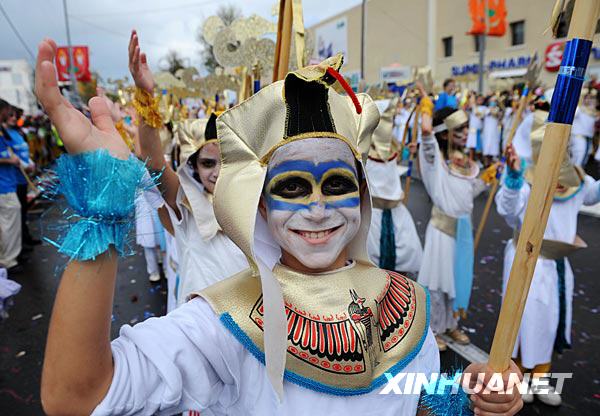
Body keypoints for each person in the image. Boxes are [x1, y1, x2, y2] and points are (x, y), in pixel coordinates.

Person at [36, 38, 522, 416]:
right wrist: (105, 201)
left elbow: (411, 398)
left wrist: (472, 397)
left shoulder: (407, 302)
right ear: (261, 207)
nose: (317, 207)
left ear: (362, 194)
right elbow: (77, 396)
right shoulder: (226, 321)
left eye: (336, 183)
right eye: (292, 187)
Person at [128, 31, 248, 306]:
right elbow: (155, 161)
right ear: (193, 166)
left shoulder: (255, 204)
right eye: (208, 163)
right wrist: (146, 95)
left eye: (226, 161)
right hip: (199, 333)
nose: (217, 172)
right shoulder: (187, 205)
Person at [496, 118, 600, 407]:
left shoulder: (577, 177)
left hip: (556, 264)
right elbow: (508, 209)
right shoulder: (529, 183)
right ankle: (517, 375)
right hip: (527, 261)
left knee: (550, 320)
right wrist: (514, 177)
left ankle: (540, 375)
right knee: (522, 319)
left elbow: (592, 193)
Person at [417, 106, 486, 352]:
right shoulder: (435, 159)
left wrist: (488, 177)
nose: (466, 133)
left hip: (462, 231)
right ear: (445, 134)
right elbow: (426, 133)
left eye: (467, 128)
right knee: (438, 282)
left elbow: (469, 192)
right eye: (459, 129)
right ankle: (434, 328)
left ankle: (452, 324)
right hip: (442, 231)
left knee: (457, 280)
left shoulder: (466, 162)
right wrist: (425, 104)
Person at [366, 97, 423, 277]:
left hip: (396, 214)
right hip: (371, 216)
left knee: (404, 257)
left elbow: (398, 156)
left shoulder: (393, 148)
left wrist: (410, 151)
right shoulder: (361, 150)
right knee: (371, 267)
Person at [3, 106, 39, 248]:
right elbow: (10, 154)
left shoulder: (17, 133)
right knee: (17, 214)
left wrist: (30, 163)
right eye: (10, 115)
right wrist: (24, 165)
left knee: (23, 211)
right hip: (14, 179)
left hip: (23, 178)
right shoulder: (5, 135)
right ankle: (21, 243)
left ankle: (26, 237)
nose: (13, 118)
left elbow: (24, 151)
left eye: (15, 115)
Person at [0, 99, 22, 271]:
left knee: (6, 224)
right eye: (7, 111)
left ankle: (6, 258)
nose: (9, 115)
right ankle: (9, 261)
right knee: (9, 224)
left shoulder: (3, 132)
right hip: (4, 187)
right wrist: (9, 160)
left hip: (7, 184)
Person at [569, 88, 598, 167]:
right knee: (578, 157)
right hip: (578, 137)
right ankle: (572, 176)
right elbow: (571, 117)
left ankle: (578, 176)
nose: (589, 100)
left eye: (591, 98)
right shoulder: (579, 109)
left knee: (584, 160)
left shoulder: (593, 112)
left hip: (588, 138)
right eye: (587, 97)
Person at [481, 95, 501, 165]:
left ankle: (491, 162)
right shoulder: (486, 109)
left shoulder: (497, 109)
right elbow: (481, 116)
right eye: (492, 100)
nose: (493, 102)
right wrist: (489, 109)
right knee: (486, 145)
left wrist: (493, 109)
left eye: (495, 101)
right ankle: (486, 163)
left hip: (494, 130)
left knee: (493, 145)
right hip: (487, 130)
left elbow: (497, 114)